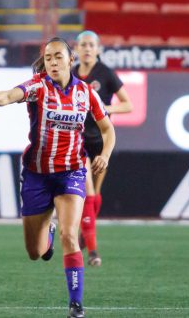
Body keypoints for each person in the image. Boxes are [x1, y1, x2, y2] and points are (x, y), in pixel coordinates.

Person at [0, 37, 116, 318]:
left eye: (58, 57)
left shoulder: (86, 93)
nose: (52, 62)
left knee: (69, 236)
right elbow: (11, 95)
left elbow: (108, 130)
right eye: (48, 58)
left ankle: (76, 305)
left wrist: (105, 155)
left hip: (71, 173)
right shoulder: (39, 86)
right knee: (35, 252)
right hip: (37, 175)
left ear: (70, 60)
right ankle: (46, 232)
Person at [72, 31, 133, 267]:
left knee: (95, 194)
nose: (87, 49)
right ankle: (92, 250)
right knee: (88, 193)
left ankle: (85, 236)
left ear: (98, 49)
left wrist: (104, 108)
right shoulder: (72, 73)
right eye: (83, 45)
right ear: (76, 49)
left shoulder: (105, 73)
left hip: (101, 142)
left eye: (91, 45)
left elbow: (128, 104)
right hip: (79, 142)